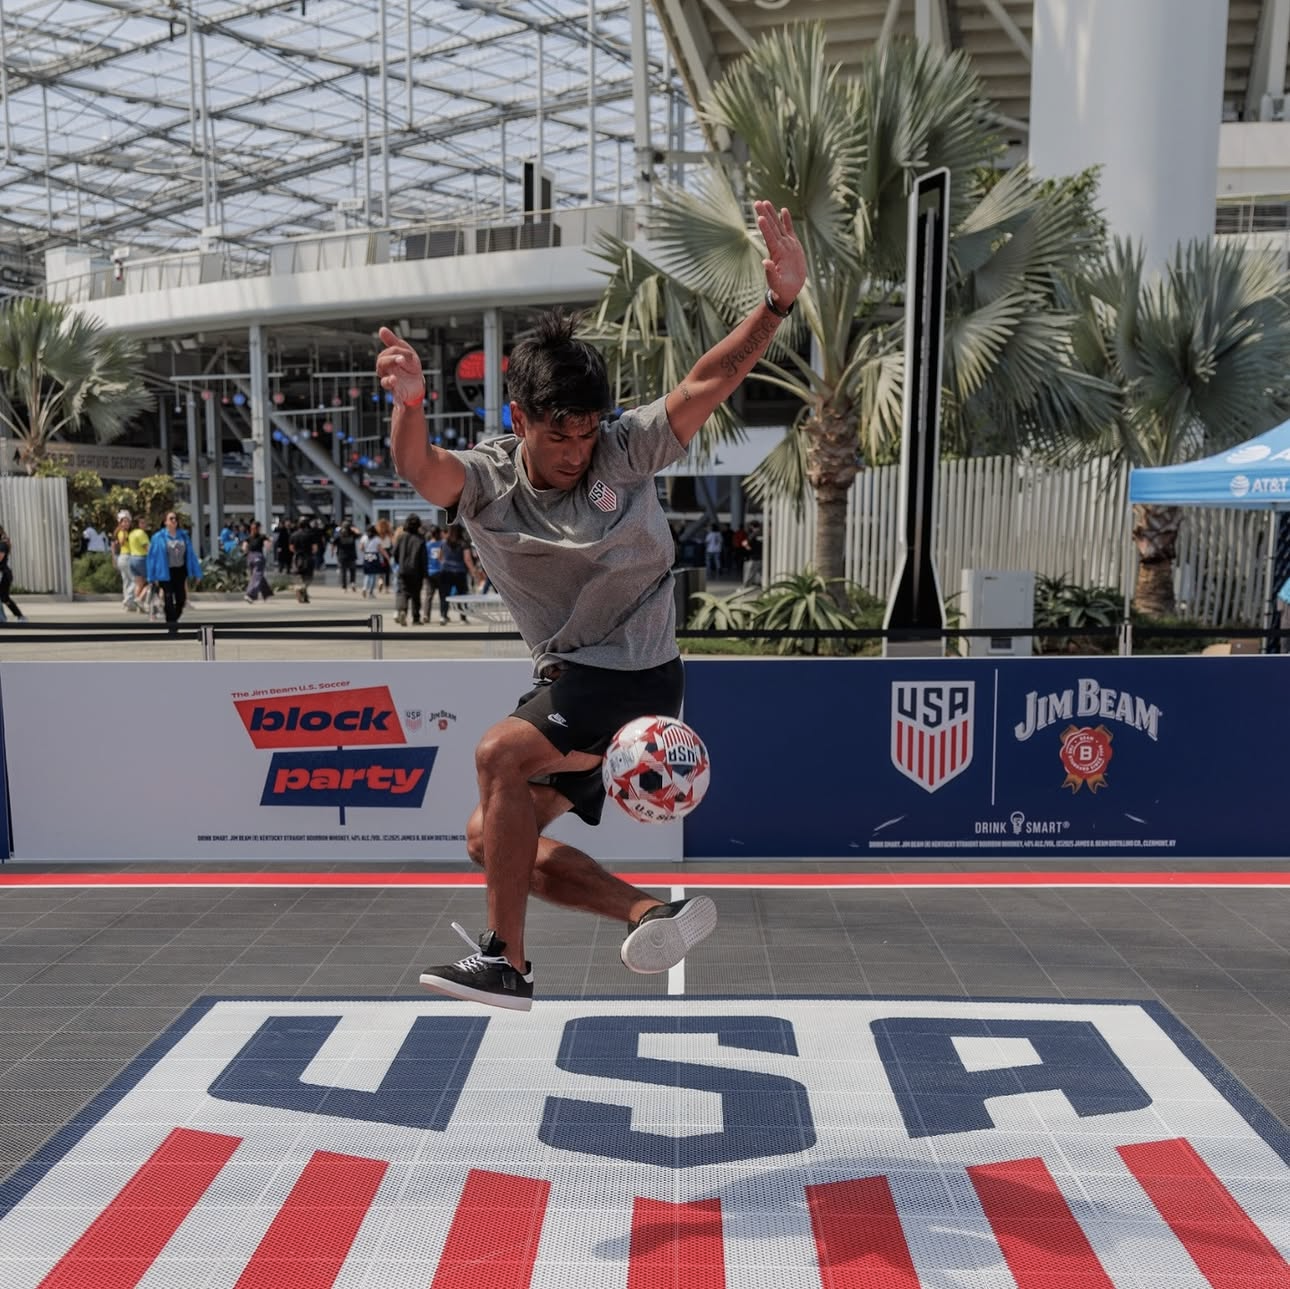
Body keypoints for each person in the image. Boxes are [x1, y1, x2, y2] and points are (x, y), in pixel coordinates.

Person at [378, 198, 805, 1009]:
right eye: (558, 437)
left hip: (638, 673)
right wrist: (408, 407)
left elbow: (709, 380)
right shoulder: (489, 483)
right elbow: (422, 469)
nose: (577, 454)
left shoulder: (626, 447)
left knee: (498, 755)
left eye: (586, 435)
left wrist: (777, 304)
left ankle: (506, 959)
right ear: (520, 421)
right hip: (571, 676)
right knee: (491, 838)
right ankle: (649, 910)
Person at [145, 511, 202, 635]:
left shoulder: (184, 536)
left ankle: (174, 618)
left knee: (181, 598)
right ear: (165, 522)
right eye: (171, 519)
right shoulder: (158, 537)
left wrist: (197, 573)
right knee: (168, 597)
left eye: (175, 519)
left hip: (180, 571)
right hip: (165, 571)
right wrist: (151, 576)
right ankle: (172, 625)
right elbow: (152, 557)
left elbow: (191, 555)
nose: (174, 521)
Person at [392, 513, 427, 626]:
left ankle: (402, 610)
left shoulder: (401, 537)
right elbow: (423, 558)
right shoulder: (420, 539)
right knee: (416, 594)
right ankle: (416, 618)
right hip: (416, 571)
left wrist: (399, 563)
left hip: (403, 569)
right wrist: (425, 573)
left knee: (403, 592)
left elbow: (395, 553)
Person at [438, 523, 477, 623]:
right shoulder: (464, 543)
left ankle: (443, 616)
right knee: (462, 595)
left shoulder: (444, 542)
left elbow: (440, 557)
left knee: (444, 595)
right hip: (460, 572)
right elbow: (467, 559)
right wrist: (473, 572)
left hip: (446, 571)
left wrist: (445, 564)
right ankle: (463, 618)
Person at [0, 525, 27, 623]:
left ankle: (18, 616)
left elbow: (0, 558)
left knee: (4, 597)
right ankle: (7, 617)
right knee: (4, 598)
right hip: (4, 574)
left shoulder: (2, 545)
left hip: (3, 575)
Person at [126, 516, 152, 618]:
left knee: (139, 583)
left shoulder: (131, 533)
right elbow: (147, 548)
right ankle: (140, 599)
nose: (146, 525)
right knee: (152, 581)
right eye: (143, 523)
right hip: (142, 558)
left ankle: (138, 604)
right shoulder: (141, 534)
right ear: (139, 524)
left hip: (132, 558)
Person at [242, 520, 274, 602]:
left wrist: (269, 543)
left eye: (255, 528)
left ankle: (251, 594)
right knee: (258, 576)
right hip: (250, 557)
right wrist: (245, 550)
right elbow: (244, 546)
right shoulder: (248, 537)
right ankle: (267, 593)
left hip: (258, 557)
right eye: (252, 528)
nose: (253, 529)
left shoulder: (262, 536)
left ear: (258, 528)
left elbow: (267, 544)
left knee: (256, 576)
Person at [112, 509, 136, 611]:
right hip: (126, 557)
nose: (127, 523)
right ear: (120, 522)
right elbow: (121, 542)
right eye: (124, 521)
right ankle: (127, 600)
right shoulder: (123, 532)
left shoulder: (121, 532)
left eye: (128, 521)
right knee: (135, 580)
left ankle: (128, 604)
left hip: (122, 558)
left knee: (126, 581)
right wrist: (123, 539)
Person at [290, 517, 317, 603]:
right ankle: (303, 589)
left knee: (298, 575)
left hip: (297, 557)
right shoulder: (311, 534)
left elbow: (291, 548)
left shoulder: (293, 535)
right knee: (308, 577)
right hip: (308, 557)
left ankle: (300, 589)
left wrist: (297, 552)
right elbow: (314, 548)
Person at [423, 524, 445, 622]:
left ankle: (426, 615)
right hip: (441, 571)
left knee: (429, 595)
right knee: (442, 595)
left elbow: (425, 559)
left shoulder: (427, 545)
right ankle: (443, 616)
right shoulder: (443, 544)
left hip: (430, 571)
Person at [333, 519, 360, 592]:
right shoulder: (352, 534)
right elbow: (359, 534)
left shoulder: (339, 535)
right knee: (352, 570)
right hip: (352, 555)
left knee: (343, 572)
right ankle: (352, 583)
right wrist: (355, 529)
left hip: (342, 556)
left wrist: (333, 552)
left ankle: (344, 587)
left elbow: (333, 542)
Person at [360, 524, 384, 597]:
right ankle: (370, 592)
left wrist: (365, 551)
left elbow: (361, 548)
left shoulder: (364, 537)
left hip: (367, 555)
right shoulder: (377, 539)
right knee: (373, 575)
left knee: (367, 574)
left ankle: (364, 587)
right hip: (374, 555)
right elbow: (380, 549)